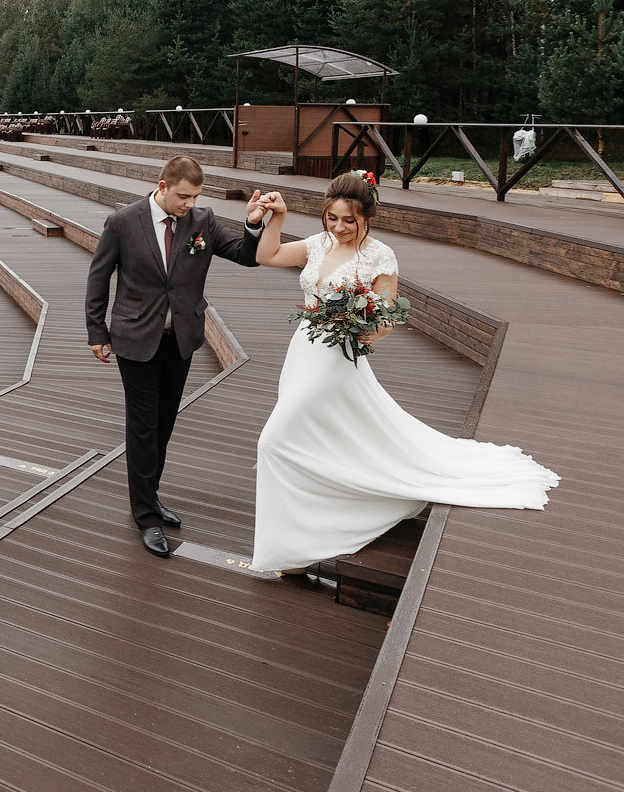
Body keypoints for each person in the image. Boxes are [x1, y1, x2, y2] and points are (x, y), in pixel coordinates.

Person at [249, 171, 558, 576]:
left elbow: (386, 320)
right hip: (303, 350)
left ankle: (290, 548)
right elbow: (268, 256)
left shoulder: (380, 256)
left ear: (366, 217)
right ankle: (298, 537)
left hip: (337, 358)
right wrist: (278, 218)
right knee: (309, 435)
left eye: (348, 220)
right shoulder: (318, 244)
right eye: (332, 218)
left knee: (274, 441)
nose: (338, 228)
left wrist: (358, 325)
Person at [86, 155, 270, 557]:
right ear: (162, 186)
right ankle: (146, 517)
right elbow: (98, 276)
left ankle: (149, 496)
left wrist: (253, 223)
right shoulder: (122, 222)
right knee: (143, 426)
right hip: (136, 339)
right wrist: (96, 331)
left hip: (180, 339)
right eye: (184, 196)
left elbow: (245, 255)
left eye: (196, 197)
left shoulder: (203, 221)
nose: (190, 203)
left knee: (164, 421)